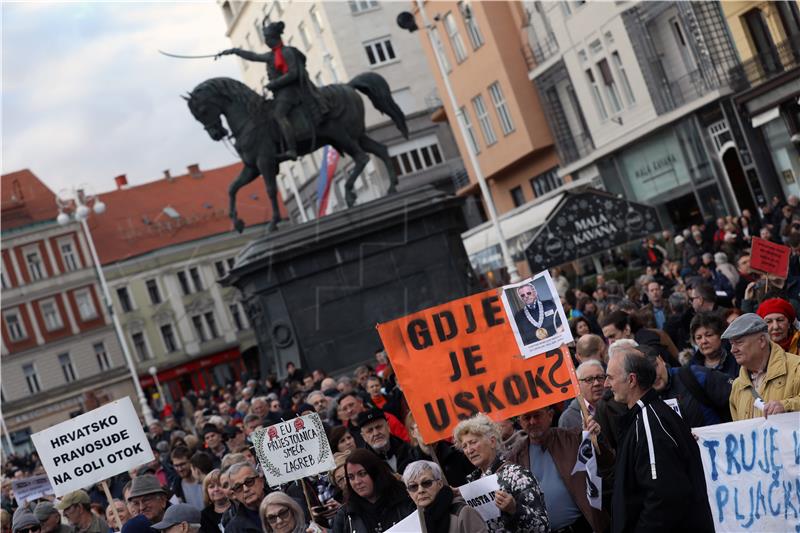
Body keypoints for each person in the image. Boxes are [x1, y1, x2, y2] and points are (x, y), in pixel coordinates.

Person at [604, 346, 714, 532]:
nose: (606, 384)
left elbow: (663, 497)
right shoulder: (646, 416)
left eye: (610, 377)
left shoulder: (650, 422)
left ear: (631, 380)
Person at [217, 21, 328, 160]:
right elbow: (254, 56)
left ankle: (292, 149)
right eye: (266, 39)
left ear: (275, 38)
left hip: (291, 92)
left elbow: (293, 73)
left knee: (279, 114)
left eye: (268, 38)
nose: (266, 41)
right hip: (281, 93)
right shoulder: (272, 55)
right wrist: (235, 51)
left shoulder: (287, 52)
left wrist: (274, 83)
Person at [509, 407, 610, 533]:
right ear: (520, 422)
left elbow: (607, 462)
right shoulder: (515, 456)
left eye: (537, 415)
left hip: (584, 526)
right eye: (527, 418)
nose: (532, 422)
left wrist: (596, 438)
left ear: (550, 416)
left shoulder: (573, 438)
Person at [454, 413, 549, 533]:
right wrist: (459, 498)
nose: (469, 450)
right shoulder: (471, 484)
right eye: (464, 446)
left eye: (473, 442)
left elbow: (542, 527)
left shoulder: (517, 475)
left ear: (492, 442)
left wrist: (514, 509)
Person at [722, 313, 800, 420]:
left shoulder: (796, 367)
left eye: (739, 343)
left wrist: (786, 406)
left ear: (762, 341)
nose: (733, 350)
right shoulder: (737, 386)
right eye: (731, 344)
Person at [330, 449, 416, 533]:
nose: (357, 482)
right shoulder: (346, 515)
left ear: (375, 472)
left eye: (362, 474)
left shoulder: (405, 499)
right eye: (351, 477)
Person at [403, 460, 487, 533]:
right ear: (408, 492)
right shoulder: (413, 523)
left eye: (426, 483)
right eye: (413, 487)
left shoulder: (463, 512)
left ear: (439, 484)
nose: (420, 490)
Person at [356, 408, 415, 474]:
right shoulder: (364, 465)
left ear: (388, 427)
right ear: (364, 437)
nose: (376, 433)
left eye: (379, 427)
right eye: (370, 431)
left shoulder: (410, 451)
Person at [689, 312, 739, 378]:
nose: (704, 341)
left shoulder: (737, 359)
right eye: (699, 337)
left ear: (721, 335)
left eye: (709, 335)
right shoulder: (691, 368)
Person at [559, 360, 606, 429]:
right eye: (589, 380)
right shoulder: (568, 418)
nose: (597, 383)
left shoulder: (615, 406)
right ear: (578, 384)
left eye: (600, 377)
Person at [226, 462, 266, 533]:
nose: (246, 489)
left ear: (261, 481)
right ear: (234, 494)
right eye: (238, 487)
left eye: (249, 481)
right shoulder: (233, 529)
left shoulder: (284, 504)